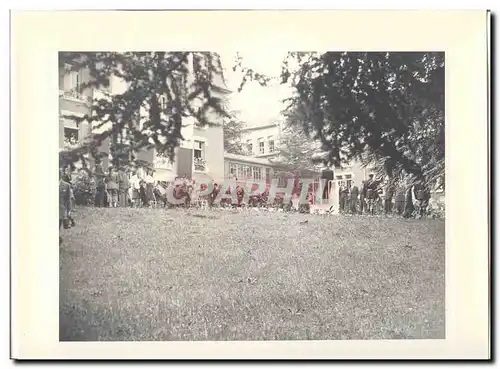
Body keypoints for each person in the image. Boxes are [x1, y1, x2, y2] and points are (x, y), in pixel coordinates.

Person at [59, 168, 72, 244]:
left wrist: (69, 211)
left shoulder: (66, 185)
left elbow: (68, 199)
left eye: (59, 173)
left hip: (61, 210)